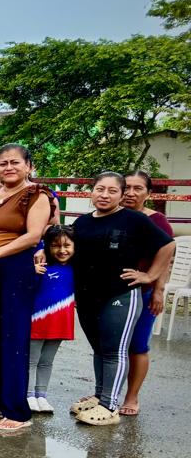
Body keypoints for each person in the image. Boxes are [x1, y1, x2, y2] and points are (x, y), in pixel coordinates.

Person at [68, 172, 174, 426]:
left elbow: (167, 245)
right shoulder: (82, 222)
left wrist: (150, 276)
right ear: (91, 192)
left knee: (114, 351)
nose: (105, 195)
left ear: (121, 194)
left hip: (120, 294)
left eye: (112, 191)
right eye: (100, 189)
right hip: (87, 296)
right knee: (99, 349)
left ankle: (110, 405)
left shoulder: (134, 220)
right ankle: (100, 396)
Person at [0, 145, 52, 431]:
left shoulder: (37, 195)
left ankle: (17, 411)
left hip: (16, 268)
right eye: (3, 163)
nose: (8, 167)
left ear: (29, 166)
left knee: (14, 338)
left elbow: (33, 236)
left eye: (15, 162)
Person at [119, 170, 175, 416]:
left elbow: (166, 254)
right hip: (110, 293)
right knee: (110, 347)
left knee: (137, 345)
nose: (130, 193)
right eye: (126, 187)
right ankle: (105, 394)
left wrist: (156, 287)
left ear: (148, 193)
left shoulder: (156, 221)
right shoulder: (111, 215)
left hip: (142, 292)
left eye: (138, 188)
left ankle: (132, 397)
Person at [28, 225, 75, 414]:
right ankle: (29, 395)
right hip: (37, 320)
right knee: (32, 360)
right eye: (56, 245)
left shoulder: (76, 267)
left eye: (67, 245)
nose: (62, 250)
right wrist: (33, 264)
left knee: (47, 361)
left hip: (60, 322)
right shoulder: (40, 266)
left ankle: (42, 396)